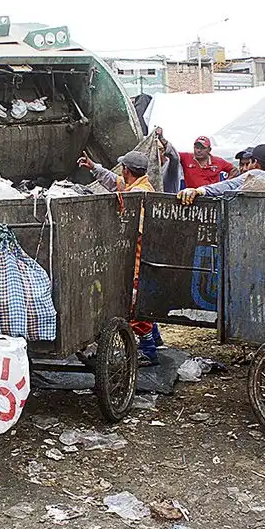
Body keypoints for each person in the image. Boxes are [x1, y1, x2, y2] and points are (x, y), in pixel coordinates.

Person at [77, 150, 160, 364]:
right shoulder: (136, 186)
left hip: (138, 257)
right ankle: (154, 338)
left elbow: (138, 230)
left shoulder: (139, 195)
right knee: (143, 301)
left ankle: (148, 349)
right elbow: (115, 182)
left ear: (126, 170)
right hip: (139, 256)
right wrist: (94, 167)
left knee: (134, 302)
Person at [177, 144, 265, 204]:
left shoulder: (257, 174)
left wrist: (200, 191)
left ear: (255, 163)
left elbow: (229, 185)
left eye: (248, 163)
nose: (245, 169)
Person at [77, 150, 154, 192]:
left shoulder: (138, 193)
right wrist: (93, 167)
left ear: (126, 170)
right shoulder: (134, 184)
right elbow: (113, 180)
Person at [154, 128, 183, 194]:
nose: (156, 152)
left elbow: (175, 158)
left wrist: (162, 139)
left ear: (163, 152)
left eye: (159, 149)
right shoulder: (151, 169)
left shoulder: (169, 167)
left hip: (168, 202)